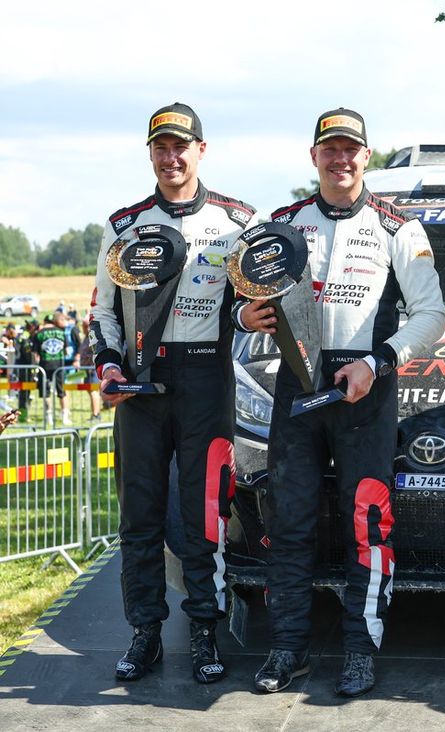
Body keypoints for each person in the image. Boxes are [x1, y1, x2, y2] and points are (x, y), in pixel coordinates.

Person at [239, 107, 445, 697]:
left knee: (368, 525)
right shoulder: (283, 222)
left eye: (351, 149)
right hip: (297, 385)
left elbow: (429, 314)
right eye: (330, 149)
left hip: (366, 385)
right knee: (289, 520)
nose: (341, 158)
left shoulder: (396, 225)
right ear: (314, 157)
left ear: (367, 156)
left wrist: (379, 361)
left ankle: (359, 648)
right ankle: (287, 649)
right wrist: (242, 313)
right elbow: (243, 295)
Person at [90, 102, 260, 684]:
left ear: (201, 150)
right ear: (151, 153)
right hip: (140, 384)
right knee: (139, 517)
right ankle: (145, 633)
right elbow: (103, 315)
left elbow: (250, 303)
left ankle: (206, 630)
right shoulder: (123, 225)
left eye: (181, 146)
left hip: (206, 380)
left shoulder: (239, 221)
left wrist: (254, 315)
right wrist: (109, 366)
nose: (171, 157)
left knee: (203, 515)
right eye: (161, 147)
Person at [33, 312, 70, 425]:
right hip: (59, 365)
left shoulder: (39, 334)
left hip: (45, 366)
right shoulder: (61, 332)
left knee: (46, 392)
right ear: (54, 322)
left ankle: (48, 416)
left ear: (44, 322)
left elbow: (35, 354)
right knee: (62, 392)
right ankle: (65, 417)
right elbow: (67, 351)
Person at [76, 315, 102, 420]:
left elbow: (96, 352)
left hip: (92, 370)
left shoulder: (93, 337)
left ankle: (96, 414)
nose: (83, 328)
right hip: (86, 370)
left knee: (93, 391)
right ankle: (94, 413)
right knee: (90, 391)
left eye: (85, 326)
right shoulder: (86, 337)